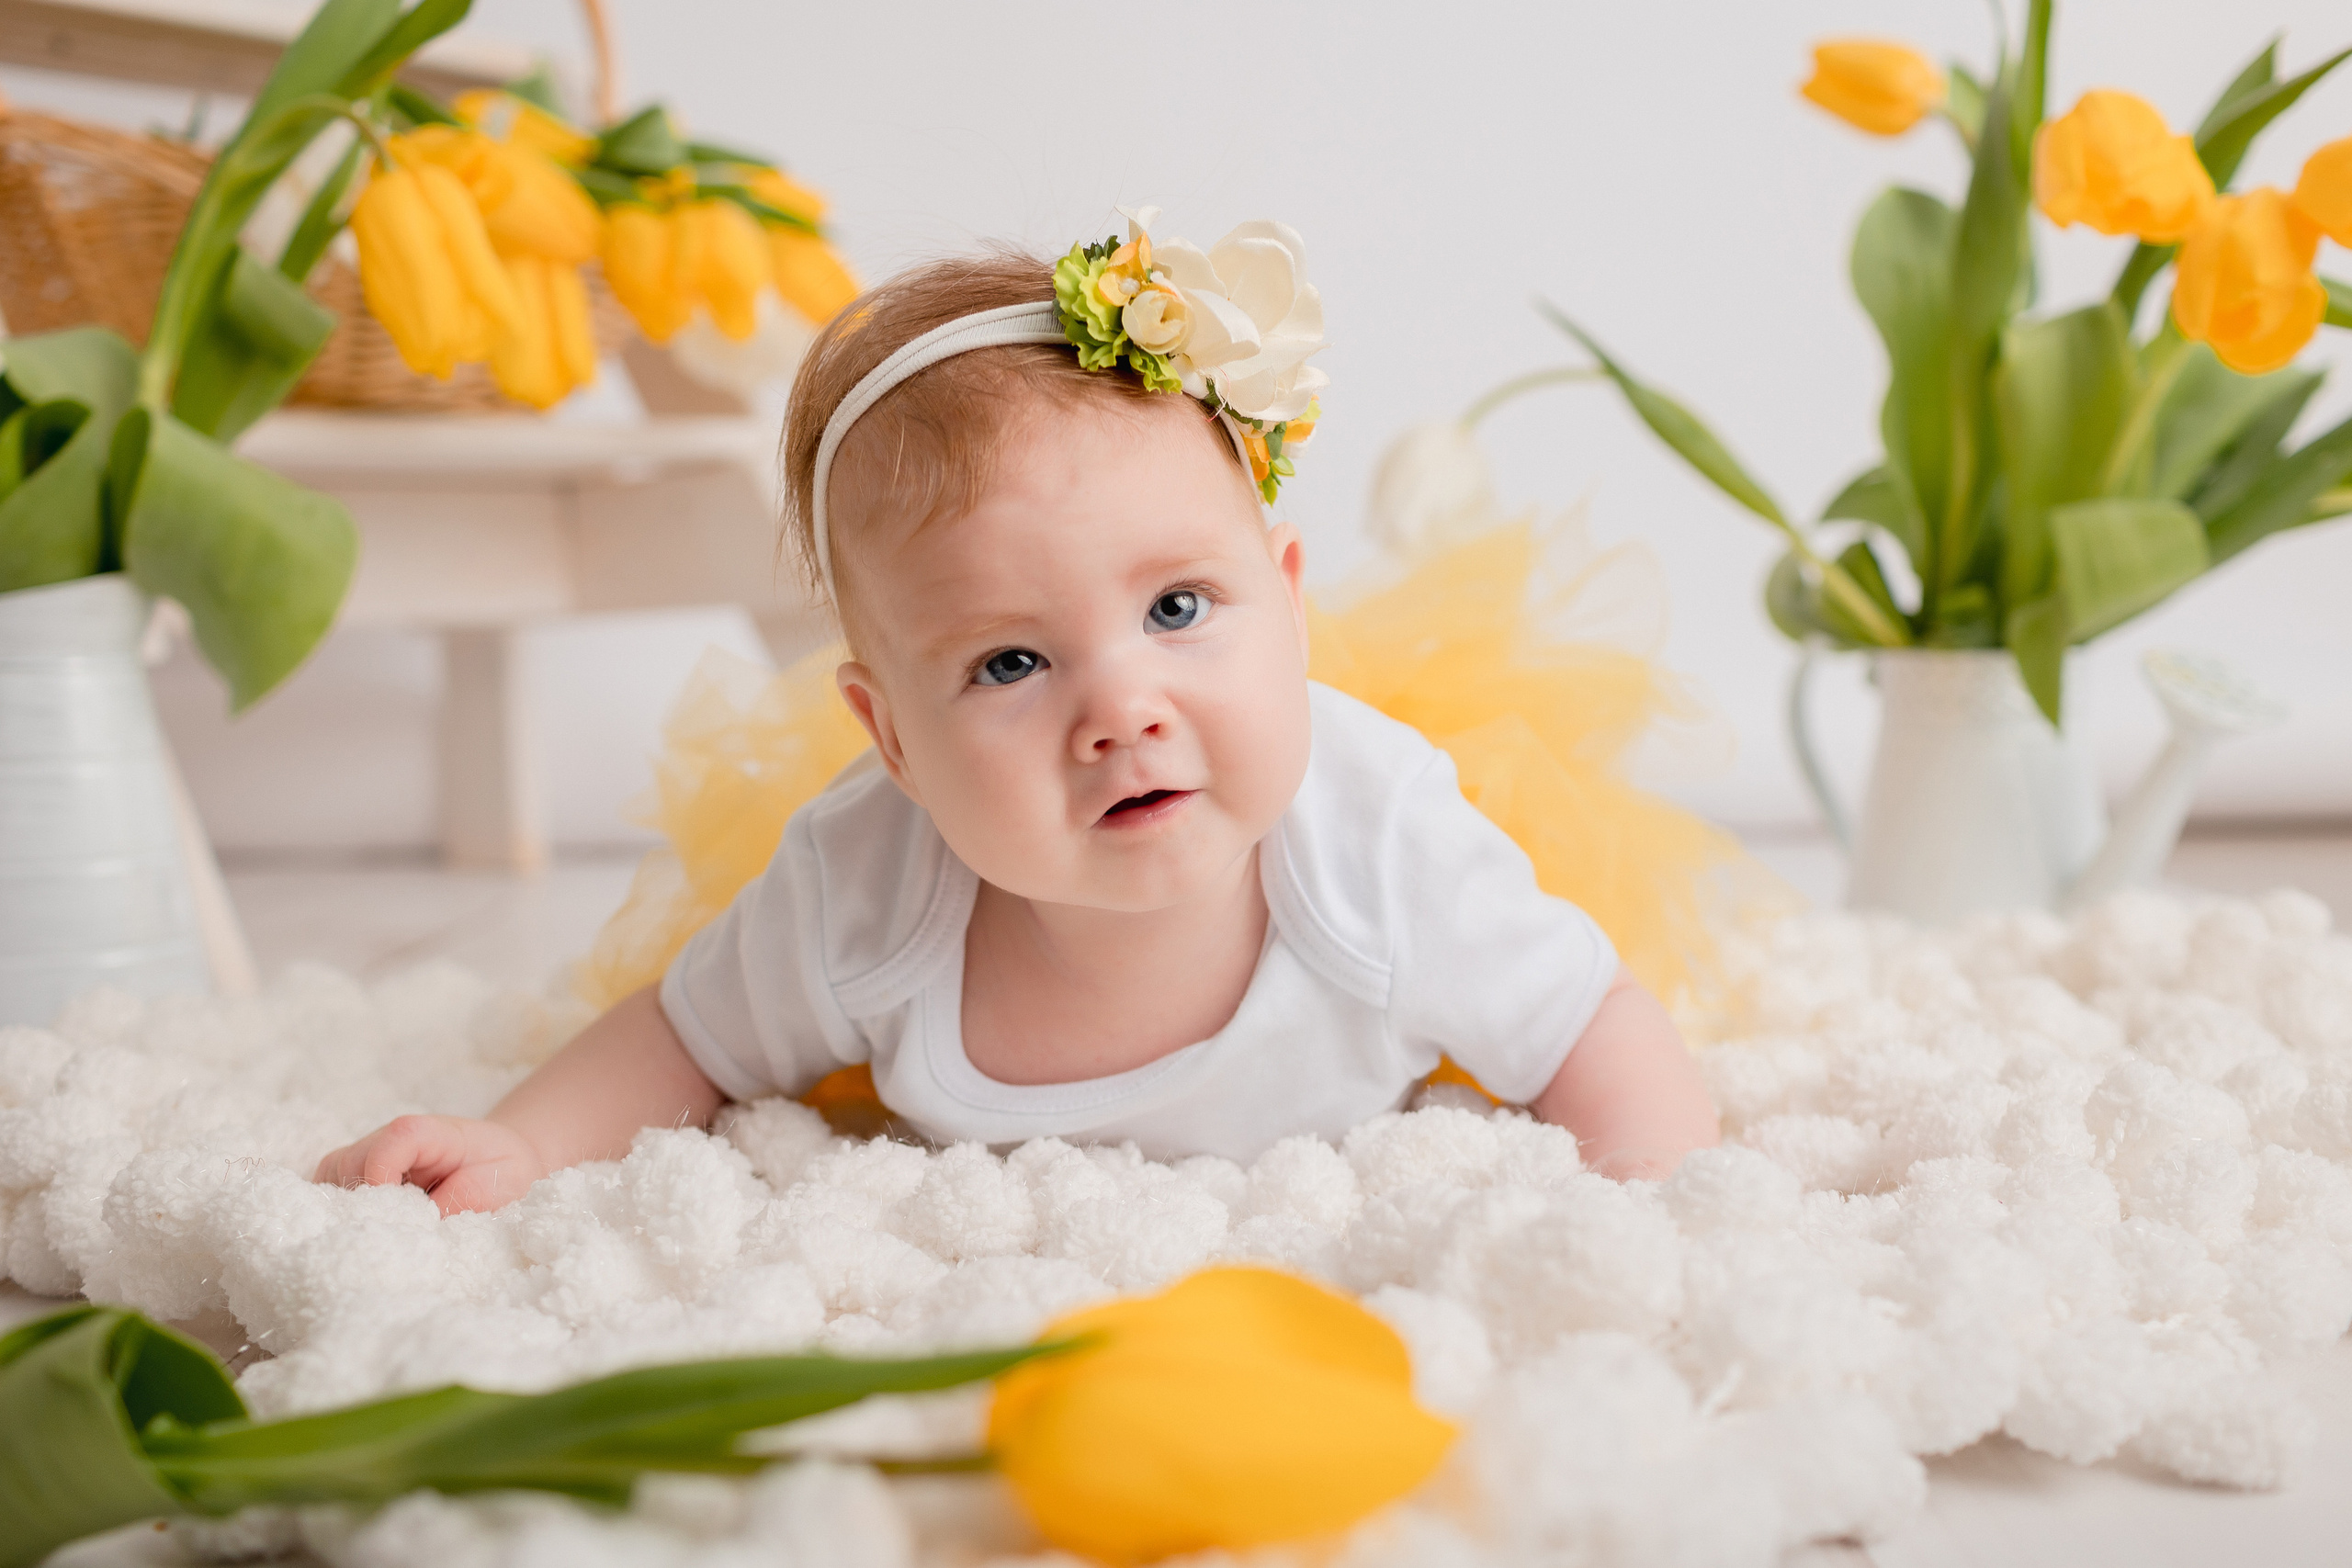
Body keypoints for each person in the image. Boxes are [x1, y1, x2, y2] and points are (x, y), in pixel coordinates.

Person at [317, 212, 1721, 1215]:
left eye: (1179, 610)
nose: (1121, 711)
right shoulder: (862, 886)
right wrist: (516, 1142)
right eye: (1008, 665)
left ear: (1289, 610)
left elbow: (1591, 1023)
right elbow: (686, 1039)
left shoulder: (1380, 841)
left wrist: (1653, 1198)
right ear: (897, 743)